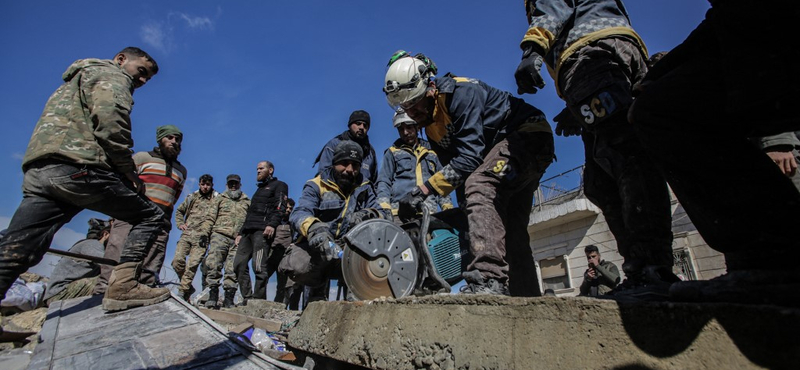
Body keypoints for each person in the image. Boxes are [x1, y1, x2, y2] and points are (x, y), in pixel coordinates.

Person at [628, 1, 800, 306]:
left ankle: (773, 257)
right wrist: (659, 75)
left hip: (771, 47)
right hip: (754, 46)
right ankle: (766, 259)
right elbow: (725, 18)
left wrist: (775, 135)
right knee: (657, 107)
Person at [513, 0, 676, 298]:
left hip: (590, 55)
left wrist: (533, 49)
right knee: (600, 182)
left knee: (624, 156)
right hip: (607, 54)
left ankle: (651, 268)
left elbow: (554, 7)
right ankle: (645, 267)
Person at [0, 47, 169, 312]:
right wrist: (127, 170)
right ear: (121, 60)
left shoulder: (75, 79)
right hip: (78, 168)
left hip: (41, 171)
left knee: (17, 249)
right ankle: (123, 286)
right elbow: (111, 121)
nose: (143, 81)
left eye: (148, 78)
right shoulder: (112, 75)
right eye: (141, 72)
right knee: (151, 216)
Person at [383, 52, 554, 296]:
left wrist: (422, 191)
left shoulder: (461, 94)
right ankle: (526, 298)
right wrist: (464, 209)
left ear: (430, 87)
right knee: (509, 227)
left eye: (415, 101)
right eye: (406, 106)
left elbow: (470, 160)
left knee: (481, 186)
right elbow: (457, 172)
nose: (412, 112)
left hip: (528, 135)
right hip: (501, 154)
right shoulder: (431, 128)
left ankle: (487, 278)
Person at [280, 140, 389, 302]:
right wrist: (315, 229)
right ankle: (317, 290)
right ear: (334, 163)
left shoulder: (365, 187)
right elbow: (300, 212)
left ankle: (357, 296)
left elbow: (384, 214)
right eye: (344, 164)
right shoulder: (316, 185)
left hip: (350, 251)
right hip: (318, 247)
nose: (349, 170)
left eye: (355, 165)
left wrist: (367, 214)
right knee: (297, 265)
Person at [94, 125, 187, 294]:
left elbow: (174, 197)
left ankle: (144, 291)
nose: (174, 142)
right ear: (160, 140)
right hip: (133, 215)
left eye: (178, 139)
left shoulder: (181, 171)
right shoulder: (142, 158)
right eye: (170, 138)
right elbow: (124, 182)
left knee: (153, 259)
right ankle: (103, 291)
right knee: (118, 250)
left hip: (161, 220)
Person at [376, 109, 453, 221]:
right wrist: (384, 208)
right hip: (400, 214)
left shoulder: (432, 152)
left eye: (409, 127)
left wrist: (448, 208)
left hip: (429, 213)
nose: (405, 132)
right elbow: (384, 182)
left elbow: (442, 183)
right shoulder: (392, 152)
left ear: (417, 127)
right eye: (401, 129)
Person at [233, 161, 289, 301]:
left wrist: (272, 224)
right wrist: (241, 233)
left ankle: (258, 300)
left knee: (258, 266)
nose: (258, 171)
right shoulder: (259, 190)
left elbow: (280, 206)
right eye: (257, 169)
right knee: (238, 264)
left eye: (261, 168)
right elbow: (250, 213)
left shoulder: (279, 185)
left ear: (270, 170)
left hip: (262, 231)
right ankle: (247, 298)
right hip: (248, 231)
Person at [200, 174, 251, 308]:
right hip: (219, 235)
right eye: (230, 184)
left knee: (232, 268)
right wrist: (204, 234)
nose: (233, 186)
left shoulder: (247, 201)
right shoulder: (219, 199)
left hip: (237, 239)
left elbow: (249, 221)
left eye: (235, 183)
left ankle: (229, 298)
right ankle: (213, 295)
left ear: (240, 184)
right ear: (226, 185)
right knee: (214, 264)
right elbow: (210, 217)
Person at [171, 174, 219, 301]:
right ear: (199, 184)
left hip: (202, 237)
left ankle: (182, 291)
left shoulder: (217, 198)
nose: (205, 187)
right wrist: (180, 223)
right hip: (188, 234)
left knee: (192, 265)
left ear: (212, 185)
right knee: (177, 261)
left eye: (207, 185)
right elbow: (179, 211)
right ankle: (187, 287)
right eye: (203, 184)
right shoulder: (192, 197)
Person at [44, 219, 112, 306]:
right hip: (59, 294)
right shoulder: (92, 244)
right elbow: (109, 265)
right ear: (105, 234)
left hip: (62, 293)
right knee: (114, 277)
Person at [313, 110, 378, 184]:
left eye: (365, 125)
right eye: (358, 123)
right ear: (350, 125)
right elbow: (323, 173)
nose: (361, 127)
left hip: (362, 193)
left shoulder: (370, 152)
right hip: (335, 192)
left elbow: (374, 181)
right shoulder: (334, 144)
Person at [264, 198, 295, 304]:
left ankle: (279, 304)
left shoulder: (292, 223)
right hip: (272, 253)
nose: (288, 210)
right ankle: (260, 300)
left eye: (291, 208)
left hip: (285, 256)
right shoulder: (273, 221)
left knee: (282, 283)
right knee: (263, 277)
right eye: (287, 207)